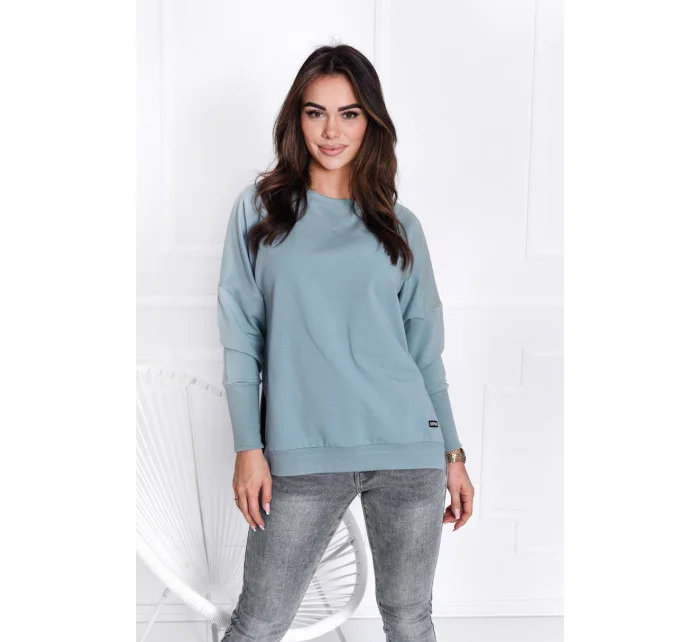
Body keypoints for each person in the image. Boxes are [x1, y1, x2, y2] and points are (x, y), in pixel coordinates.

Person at [217, 43, 475, 642]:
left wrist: (453, 455)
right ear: (297, 118)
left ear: (371, 122)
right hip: (301, 455)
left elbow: (424, 353)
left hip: (408, 450)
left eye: (349, 113)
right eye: (316, 113)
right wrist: (248, 448)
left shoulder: (400, 225)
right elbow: (241, 337)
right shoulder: (260, 211)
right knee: (258, 623)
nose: (331, 131)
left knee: (410, 620)